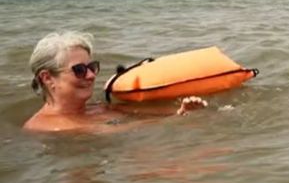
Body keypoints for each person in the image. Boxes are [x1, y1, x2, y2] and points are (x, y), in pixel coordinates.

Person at [24, 31, 207, 132]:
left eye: (92, 67)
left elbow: (146, 113)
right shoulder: (49, 127)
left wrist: (182, 110)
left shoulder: (98, 108)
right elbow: (120, 131)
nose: (91, 76)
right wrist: (178, 119)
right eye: (79, 70)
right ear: (47, 78)